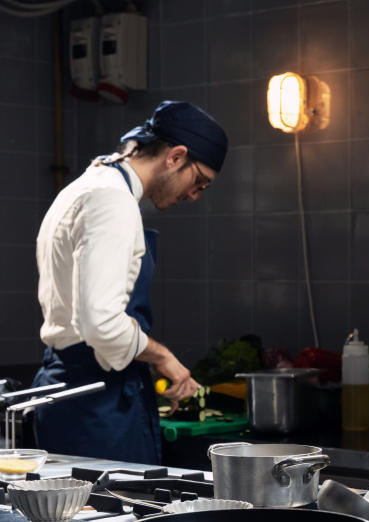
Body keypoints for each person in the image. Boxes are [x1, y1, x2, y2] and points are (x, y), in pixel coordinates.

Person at [32, 100, 228, 465]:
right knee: (112, 519)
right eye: (199, 180)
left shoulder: (88, 184)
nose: (194, 194)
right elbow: (100, 322)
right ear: (175, 156)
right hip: (96, 403)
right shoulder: (113, 201)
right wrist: (163, 356)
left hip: (68, 389)